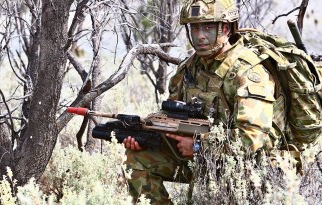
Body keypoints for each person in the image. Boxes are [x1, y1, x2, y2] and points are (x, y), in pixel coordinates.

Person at [123, 0, 287, 204]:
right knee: (135, 159)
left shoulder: (248, 71)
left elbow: (251, 140)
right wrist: (147, 137)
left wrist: (199, 146)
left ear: (225, 28)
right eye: (195, 27)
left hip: (253, 167)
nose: (200, 36)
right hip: (203, 156)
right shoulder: (189, 68)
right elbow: (176, 120)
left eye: (208, 27)